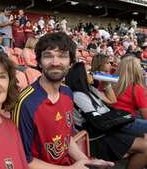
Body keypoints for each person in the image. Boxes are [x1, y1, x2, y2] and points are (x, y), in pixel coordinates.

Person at [12, 32, 113, 169]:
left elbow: (67, 138)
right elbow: (24, 160)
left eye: (62, 56)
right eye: (48, 56)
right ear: (39, 62)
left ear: (70, 63)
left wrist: (86, 161)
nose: (55, 62)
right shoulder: (25, 103)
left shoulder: (67, 93)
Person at [65, 62, 147, 169]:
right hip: (98, 138)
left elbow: (112, 101)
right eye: (89, 72)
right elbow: (97, 122)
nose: (92, 74)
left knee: (145, 139)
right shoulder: (78, 95)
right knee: (145, 146)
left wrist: (106, 85)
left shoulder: (91, 90)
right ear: (80, 76)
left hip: (108, 128)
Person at [113, 55, 147, 120]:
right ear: (137, 70)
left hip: (113, 117)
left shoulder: (111, 82)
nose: (142, 68)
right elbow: (145, 115)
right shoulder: (137, 87)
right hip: (128, 120)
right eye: (140, 66)